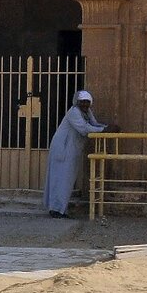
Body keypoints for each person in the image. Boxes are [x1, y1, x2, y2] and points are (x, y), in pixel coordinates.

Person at [45, 89, 108, 218]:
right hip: (63, 148)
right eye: (82, 102)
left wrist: (105, 127)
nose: (85, 104)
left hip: (72, 149)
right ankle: (56, 209)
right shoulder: (74, 112)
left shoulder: (86, 112)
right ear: (77, 102)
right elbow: (84, 129)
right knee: (61, 179)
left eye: (87, 102)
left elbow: (93, 124)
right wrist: (103, 130)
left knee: (66, 180)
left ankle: (60, 209)